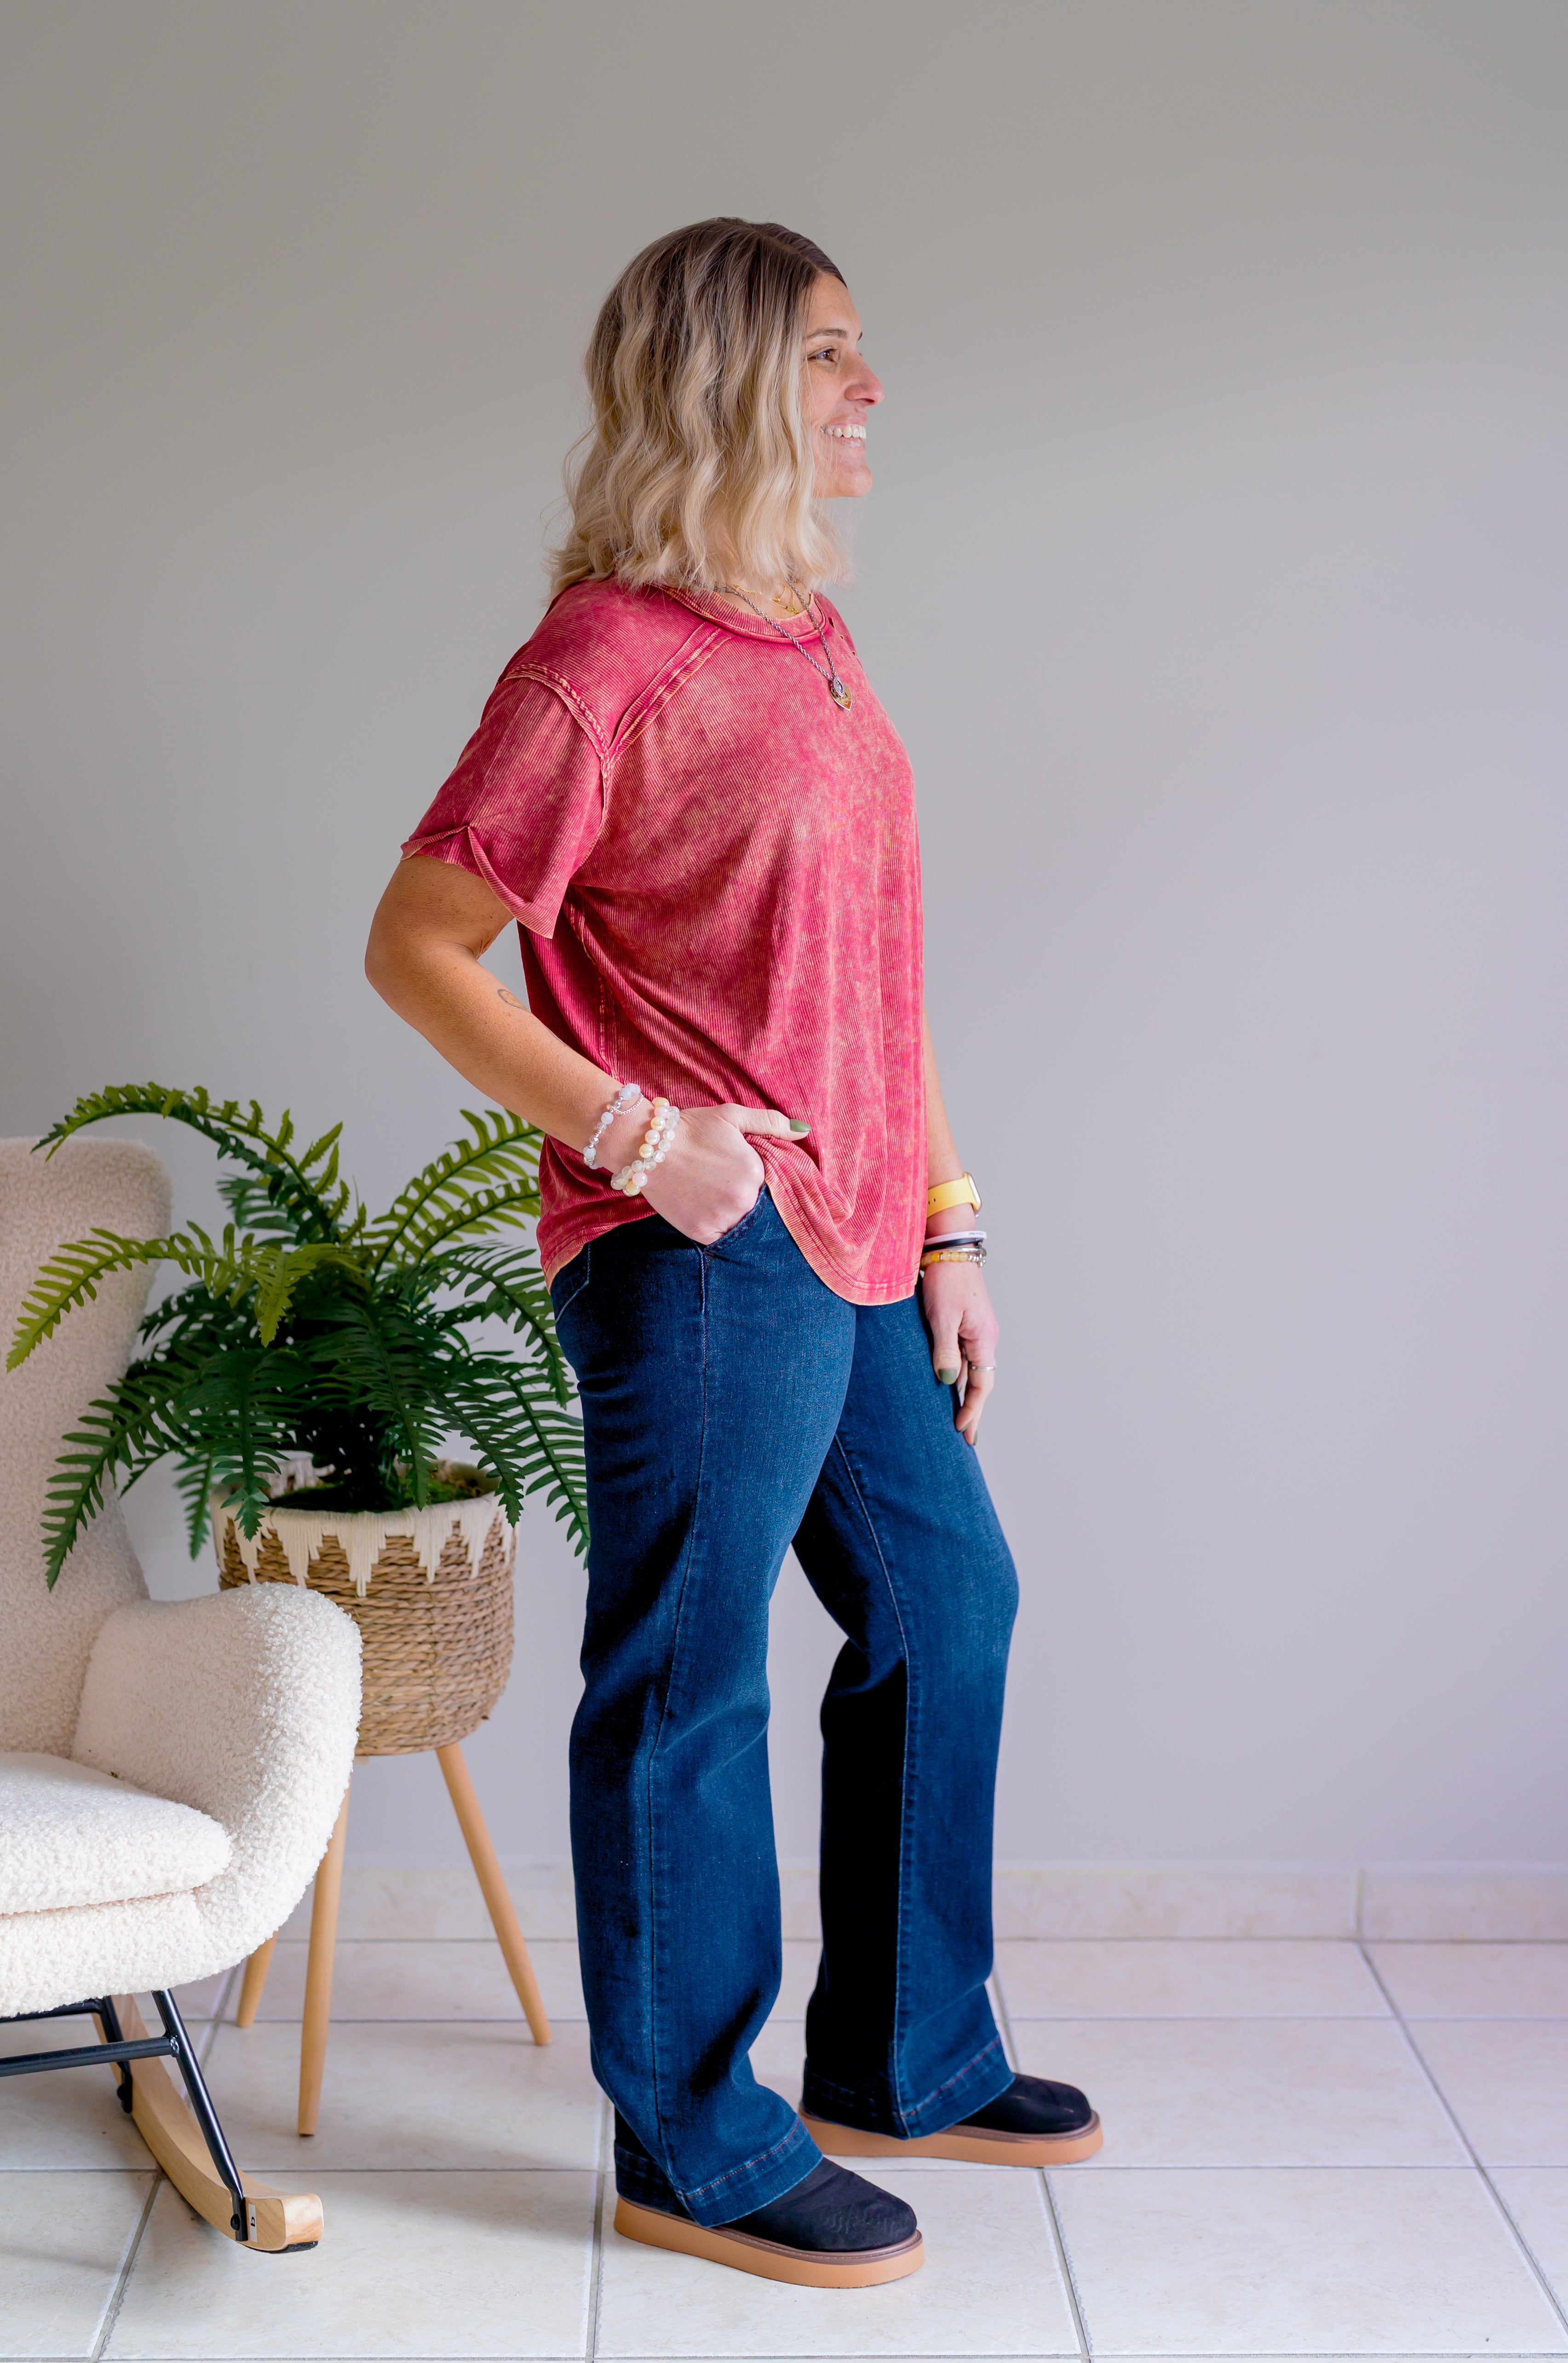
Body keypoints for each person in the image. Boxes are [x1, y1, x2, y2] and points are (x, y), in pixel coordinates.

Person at [366, 218, 1101, 2290]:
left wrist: (950, 1216)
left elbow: (881, 970)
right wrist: (633, 1132)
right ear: (723, 380)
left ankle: (901, 2054)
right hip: (702, 1246)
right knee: (687, 1678)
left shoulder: (810, 638)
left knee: (949, 1603)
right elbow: (416, 943)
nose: (871, 389)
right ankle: (689, 2139)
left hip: (859, 1237)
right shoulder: (604, 660)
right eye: (831, 353)